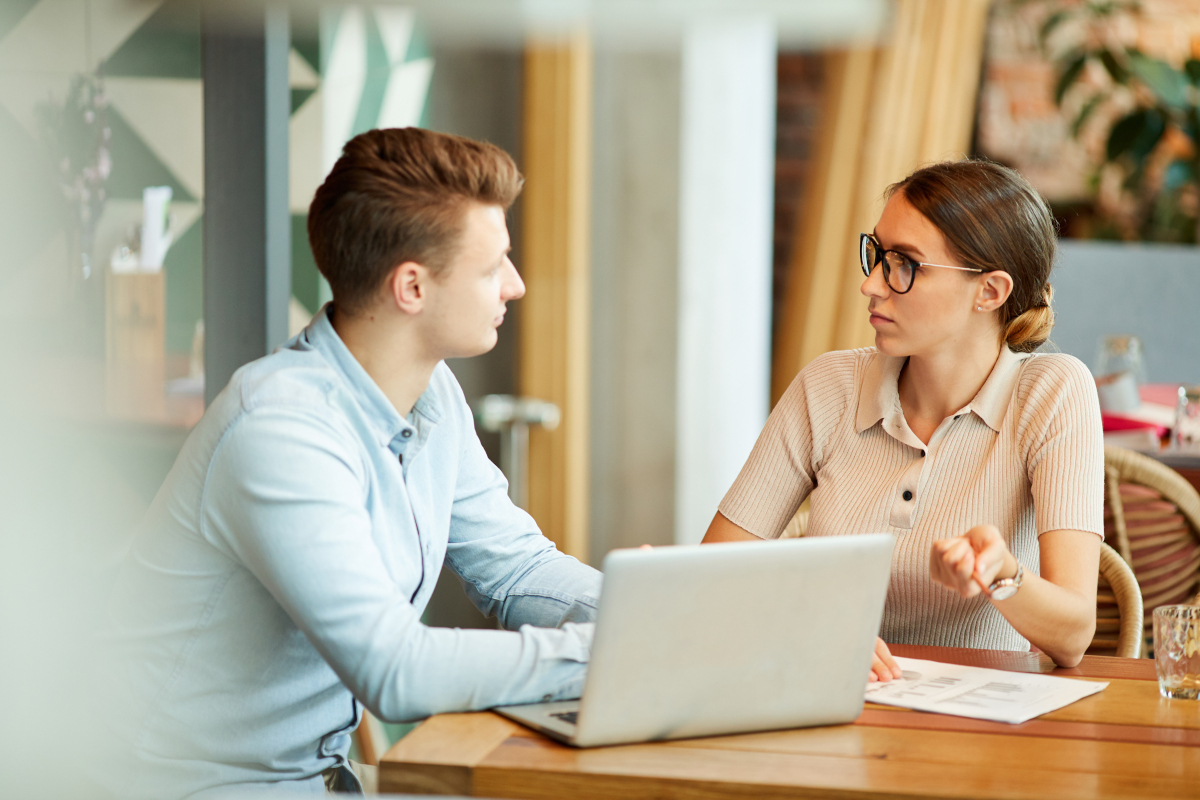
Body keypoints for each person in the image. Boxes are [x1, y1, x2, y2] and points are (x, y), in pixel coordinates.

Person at [93, 128, 601, 798]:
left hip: (320, 781)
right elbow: (396, 672)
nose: (516, 284)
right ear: (412, 287)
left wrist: (639, 610)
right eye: (492, 267)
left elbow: (516, 568)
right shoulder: (279, 431)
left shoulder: (432, 392)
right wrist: (597, 653)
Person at [703, 159, 1103, 671]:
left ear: (990, 291)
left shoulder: (1052, 392)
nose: (872, 284)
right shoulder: (828, 386)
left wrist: (1003, 573)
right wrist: (809, 627)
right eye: (877, 255)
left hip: (983, 731)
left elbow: (1073, 636)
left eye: (905, 263)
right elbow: (715, 574)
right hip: (828, 706)